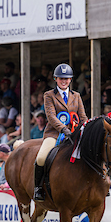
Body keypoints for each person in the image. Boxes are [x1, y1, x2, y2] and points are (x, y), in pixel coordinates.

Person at [34, 64, 88, 201]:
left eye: (67, 79)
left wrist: (86, 127)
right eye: (61, 78)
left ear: (70, 80)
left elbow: (82, 116)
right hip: (55, 133)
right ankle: (38, 188)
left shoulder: (76, 96)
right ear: (55, 79)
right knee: (41, 158)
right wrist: (64, 129)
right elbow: (51, 117)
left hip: (75, 133)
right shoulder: (49, 95)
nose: (64, 81)